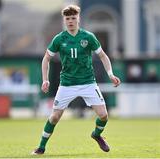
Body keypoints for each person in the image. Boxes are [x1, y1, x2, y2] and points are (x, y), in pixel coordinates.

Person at [32, 4, 121, 155]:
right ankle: (41, 147)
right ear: (65, 20)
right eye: (68, 18)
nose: (71, 21)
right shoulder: (59, 39)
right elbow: (46, 58)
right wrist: (45, 79)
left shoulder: (88, 37)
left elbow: (103, 56)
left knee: (104, 116)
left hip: (88, 82)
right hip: (67, 84)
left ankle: (97, 135)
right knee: (54, 117)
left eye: (73, 18)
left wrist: (111, 74)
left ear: (78, 19)